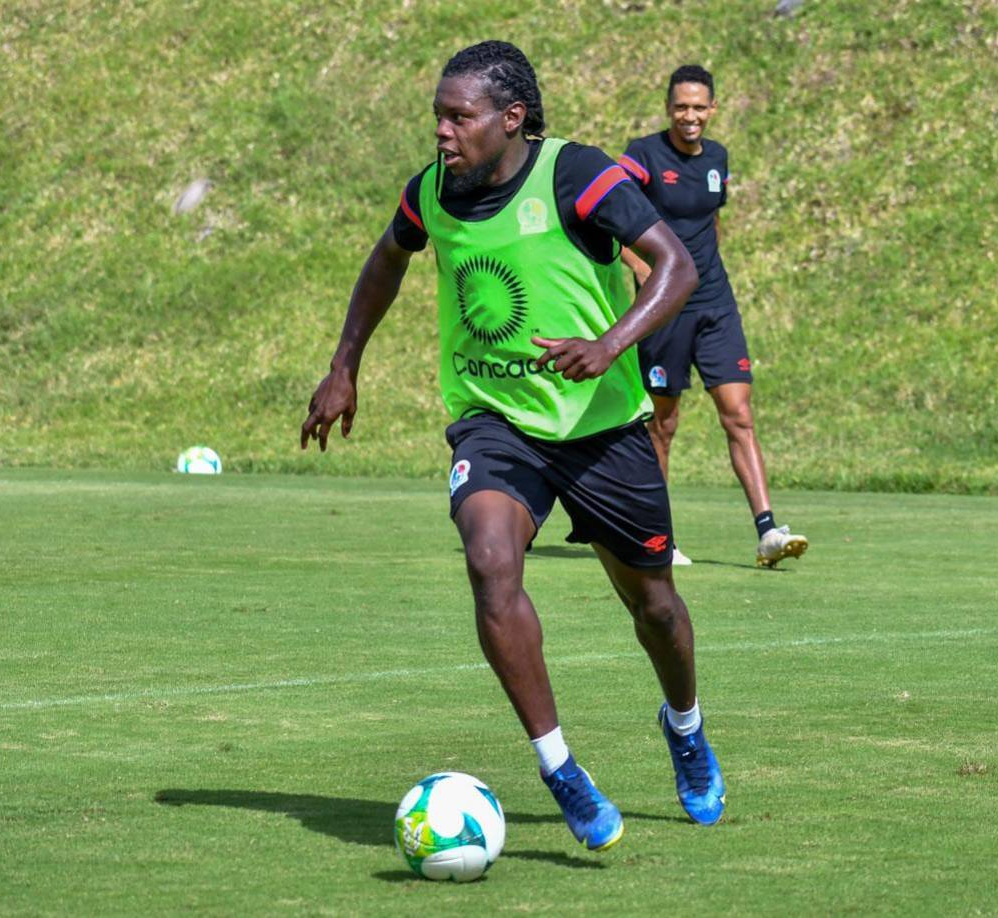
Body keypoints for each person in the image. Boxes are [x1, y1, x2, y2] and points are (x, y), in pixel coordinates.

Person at [301, 41, 725, 849]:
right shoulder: (431, 192)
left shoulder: (576, 175)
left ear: (511, 118)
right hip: (494, 423)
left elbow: (674, 269)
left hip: (601, 428)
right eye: (437, 115)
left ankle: (685, 728)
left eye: (458, 117)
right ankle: (560, 768)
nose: (442, 131)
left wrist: (606, 344)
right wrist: (343, 365)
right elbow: (385, 259)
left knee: (657, 609)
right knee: (489, 561)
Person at [619, 65, 808, 568]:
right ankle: (660, 539)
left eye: (699, 107)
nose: (690, 116)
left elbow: (711, 221)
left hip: (714, 305)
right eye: (681, 106)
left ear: (713, 109)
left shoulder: (717, 158)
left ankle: (768, 530)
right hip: (664, 309)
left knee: (739, 415)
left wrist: (703, 273)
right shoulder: (642, 155)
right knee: (663, 424)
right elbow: (612, 216)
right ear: (668, 108)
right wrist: (643, 271)